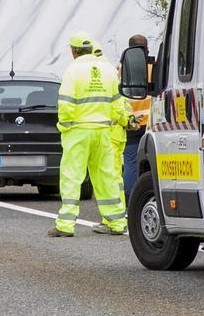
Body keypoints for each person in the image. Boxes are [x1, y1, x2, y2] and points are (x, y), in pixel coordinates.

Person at [49, 32, 128, 237]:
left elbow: (65, 104)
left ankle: (65, 225)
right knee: (106, 176)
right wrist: (124, 120)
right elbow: (117, 103)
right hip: (103, 131)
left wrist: (64, 126)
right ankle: (117, 222)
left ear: (73, 51)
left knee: (72, 177)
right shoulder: (108, 70)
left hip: (78, 131)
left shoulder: (72, 71)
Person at [94, 45, 131, 201]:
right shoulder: (110, 73)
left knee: (110, 176)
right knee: (113, 176)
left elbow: (116, 107)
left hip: (108, 134)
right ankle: (116, 214)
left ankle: (116, 215)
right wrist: (127, 121)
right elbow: (123, 104)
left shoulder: (97, 75)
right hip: (115, 133)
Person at [123, 34, 151, 197]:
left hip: (132, 124)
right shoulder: (155, 68)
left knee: (131, 163)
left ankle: (130, 197)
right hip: (152, 124)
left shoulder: (123, 70)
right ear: (146, 50)